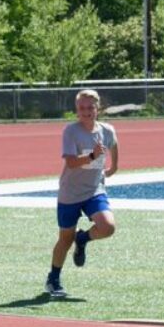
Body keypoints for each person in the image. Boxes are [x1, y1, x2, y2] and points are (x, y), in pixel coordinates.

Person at [46, 88, 118, 300]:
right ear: (77, 109)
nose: (86, 111)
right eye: (81, 108)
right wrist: (92, 156)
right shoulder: (71, 131)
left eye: (90, 107)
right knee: (65, 240)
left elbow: (113, 143)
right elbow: (70, 161)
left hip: (94, 190)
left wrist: (114, 167)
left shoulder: (107, 130)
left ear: (98, 108)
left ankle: (83, 238)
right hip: (70, 193)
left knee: (108, 227)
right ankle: (54, 278)